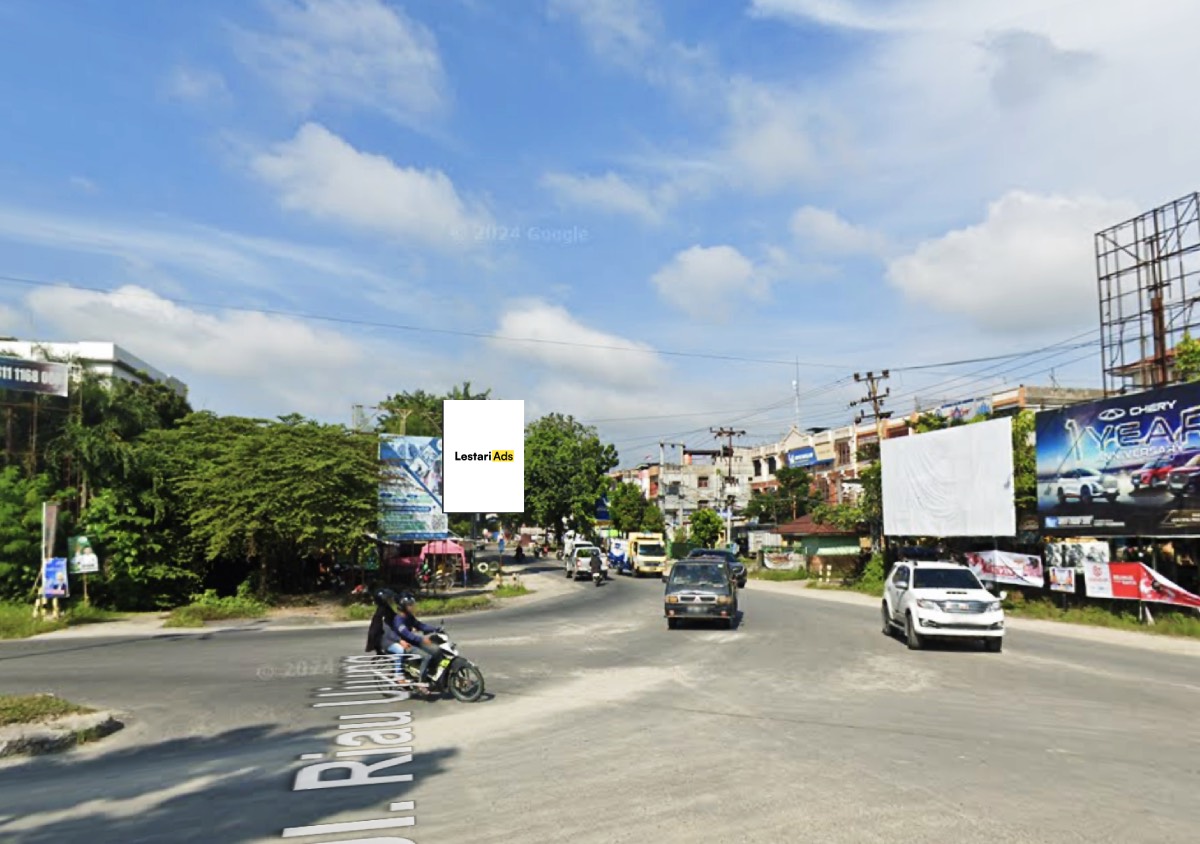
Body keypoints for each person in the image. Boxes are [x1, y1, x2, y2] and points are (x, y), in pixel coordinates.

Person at [376, 590, 442, 683]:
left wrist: (435, 629)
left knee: (436, 650)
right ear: (403, 606)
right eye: (410, 605)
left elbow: (420, 625)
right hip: (405, 644)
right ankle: (421, 682)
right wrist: (422, 639)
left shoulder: (409, 617)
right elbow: (408, 635)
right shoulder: (398, 620)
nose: (412, 607)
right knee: (426, 657)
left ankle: (430, 672)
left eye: (412, 604)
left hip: (412, 642)